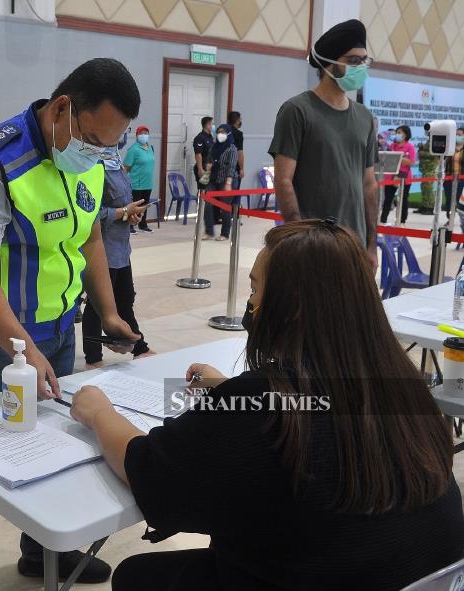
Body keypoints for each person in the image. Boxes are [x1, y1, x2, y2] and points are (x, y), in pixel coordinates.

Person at [71, 219, 464, 591]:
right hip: (414, 576)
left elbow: (150, 471)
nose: (250, 301)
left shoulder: (259, 408)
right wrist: (232, 394)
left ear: (290, 307)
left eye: (256, 289)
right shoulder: (402, 386)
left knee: (138, 574)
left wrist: (98, 412)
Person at [0, 57, 142, 590]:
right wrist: (22, 350)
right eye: (96, 137)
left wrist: (107, 313)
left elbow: (91, 236)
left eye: (111, 144)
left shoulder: (88, 156)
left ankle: (41, 552)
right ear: (63, 109)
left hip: (58, 329)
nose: (101, 153)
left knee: (55, 445)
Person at [269, 19, 379, 268]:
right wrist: (298, 237)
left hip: (355, 245)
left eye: (364, 61)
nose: (360, 67)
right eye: (353, 61)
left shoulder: (364, 117)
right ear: (328, 64)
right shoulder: (297, 111)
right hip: (314, 245)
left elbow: (369, 184)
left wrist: (372, 244)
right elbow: (283, 179)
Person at [82, 153, 155, 368]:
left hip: (121, 247)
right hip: (102, 247)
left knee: (125, 299)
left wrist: (132, 214)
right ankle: (93, 358)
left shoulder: (115, 161)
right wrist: (122, 212)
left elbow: (124, 204)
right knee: (97, 306)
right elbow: (90, 212)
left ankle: (139, 347)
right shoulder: (91, 165)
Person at [203, 124, 239, 241]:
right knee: (208, 203)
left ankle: (225, 233)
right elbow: (209, 159)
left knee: (225, 207)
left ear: (228, 134)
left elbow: (232, 167)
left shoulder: (232, 148)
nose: (220, 134)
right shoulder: (214, 146)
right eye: (219, 132)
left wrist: (228, 183)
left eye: (223, 132)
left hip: (228, 180)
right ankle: (209, 231)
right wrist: (208, 166)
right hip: (214, 179)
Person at [379, 125, 416, 224]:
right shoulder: (391, 146)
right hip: (390, 176)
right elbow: (386, 159)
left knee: (403, 199)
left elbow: (411, 162)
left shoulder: (410, 147)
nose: (397, 135)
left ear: (406, 135)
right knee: (388, 199)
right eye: (396, 133)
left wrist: (396, 157)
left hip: (404, 177)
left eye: (399, 133)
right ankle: (383, 220)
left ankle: (402, 221)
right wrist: (397, 157)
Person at [123, 125, 155, 233]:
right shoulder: (133, 149)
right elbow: (126, 168)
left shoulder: (151, 148)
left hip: (148, 183)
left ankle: (143, 224)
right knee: (134, 205)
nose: (144, 136)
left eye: (146, 133)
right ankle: (130, 226)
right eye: (141, 133)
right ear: (137, 136)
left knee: (144, 205)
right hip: (136, 183)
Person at [443, 127, 464, 215]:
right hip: (449, 177)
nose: (456, 137)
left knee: (459, 200)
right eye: (455, 135)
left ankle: (461, 219)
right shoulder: (449, 149)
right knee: (449, 199)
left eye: (459, 135)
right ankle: (449, 218)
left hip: (461, 179)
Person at [416, 137, 439, 214]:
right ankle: (424, 206)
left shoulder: (436, 141)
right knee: (424, 188)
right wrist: (421, 148)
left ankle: (430, 207)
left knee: (428, 189)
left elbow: (435, 154)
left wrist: (422, 152)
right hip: (425, 169)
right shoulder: (430, 140)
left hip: (430, 169)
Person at [192, 116, 213, 193]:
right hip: (203, 168)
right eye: (211, 124)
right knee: (203, 190)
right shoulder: (200, 138)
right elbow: (198, 154)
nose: (212, 126)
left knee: (209, 190)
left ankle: (207, 205)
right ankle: (200, 205)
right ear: (206, 125)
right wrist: (200, 169)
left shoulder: (210, 137)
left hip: (210, 168)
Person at [227, 111, 244, 188]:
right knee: (234, 193)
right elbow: (239, 153)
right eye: (240, 119)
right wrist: (241, 169)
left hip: (220, 167)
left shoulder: (223, 130)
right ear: (237, 121)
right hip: (233, 168)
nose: (241, 121)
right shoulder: (238, 134)